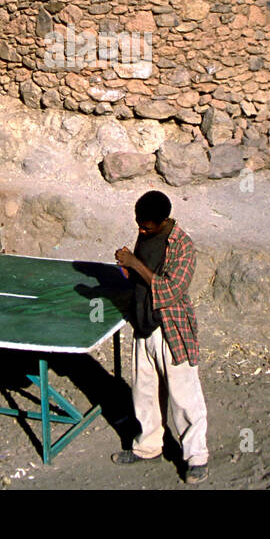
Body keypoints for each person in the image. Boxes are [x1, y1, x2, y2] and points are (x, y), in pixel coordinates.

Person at [112, 190, 209, 483]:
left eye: (147, 226)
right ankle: (148, 447)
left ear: (164, 221)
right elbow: (142, 276)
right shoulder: (146, 231)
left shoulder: (183, 247)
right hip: (144, 325)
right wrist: (128, 271)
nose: (141, 230)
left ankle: (196, 457)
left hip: (171, 328)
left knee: (184, 396)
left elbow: (169, 290)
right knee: (144, 392)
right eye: (139, 224)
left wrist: (134, 264)